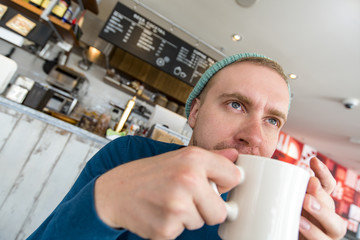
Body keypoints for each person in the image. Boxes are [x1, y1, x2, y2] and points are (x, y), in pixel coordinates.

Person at [28, 53, 347, 240]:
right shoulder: (130, 156)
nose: (254, 135)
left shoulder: (283, 216)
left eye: (272, 120)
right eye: (236, 105)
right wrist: (105, 203)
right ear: (195, 111)